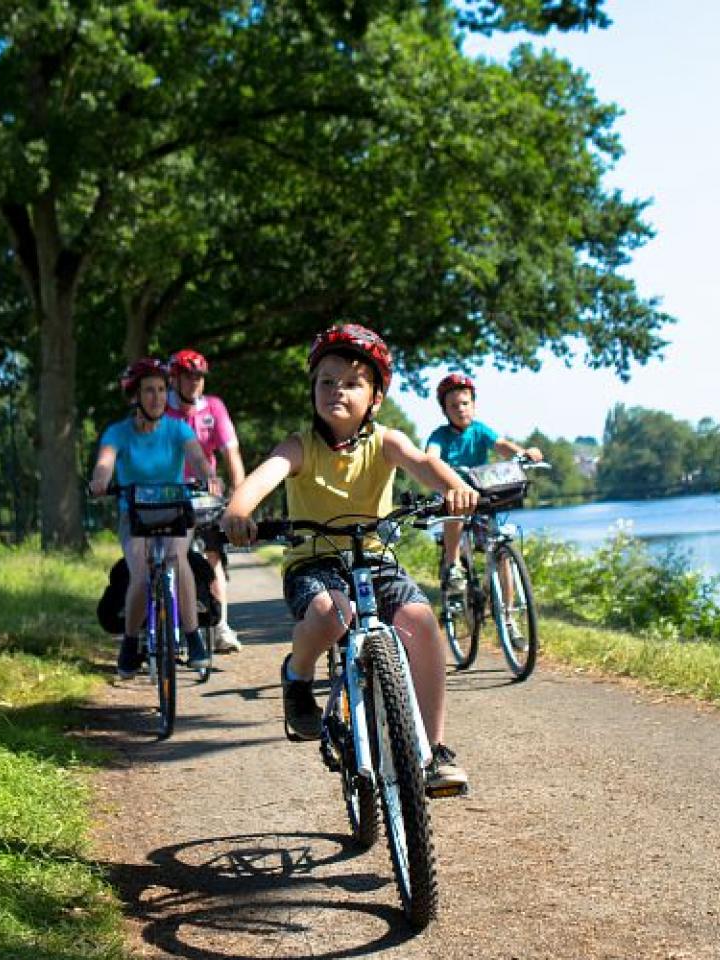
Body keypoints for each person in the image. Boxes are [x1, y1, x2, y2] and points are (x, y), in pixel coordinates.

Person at [222, 323, 479, 795]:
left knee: (421, 620)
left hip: (376, 559)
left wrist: (456, 490)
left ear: (375, 398)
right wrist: (239, 512)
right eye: (326, 380)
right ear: (313, 389)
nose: (336, 389)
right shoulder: (300, 445)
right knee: (331, 616)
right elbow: (261, 480)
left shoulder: (387, 442)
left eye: (352, 382)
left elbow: (427, 467)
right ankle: (298, 675)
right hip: (314, 564)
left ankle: (434, 752)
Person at [89, 359, 217, 678]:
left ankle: (193, 638)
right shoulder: (118, 433)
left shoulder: (177, 429)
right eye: (149, 390)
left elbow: (198, 458)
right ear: (135, 396)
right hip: (133, 513)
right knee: (142, 575)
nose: (157, 397)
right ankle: (130, 643)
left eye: (162, 389)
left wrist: (209, 476)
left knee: (177, 557)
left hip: (175, 509)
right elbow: (105, 462)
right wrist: (100, 481)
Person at [424, 373, 544, 596]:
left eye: (465, 403)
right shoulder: (440, 435)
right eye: (453, 405)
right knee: (455, 510)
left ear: (474, 405)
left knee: (498, 550)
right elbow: (431, 455)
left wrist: (524, 453)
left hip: (481, 494)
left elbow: (501, 445)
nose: (460, 409)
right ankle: (453, 564)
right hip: (453, 492)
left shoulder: (479, 430)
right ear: (445, 411)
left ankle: (508, 616)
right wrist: (433, 463)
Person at [165, 348, 248, 653]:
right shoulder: (162, 409)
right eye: (188, 376)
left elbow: (232, 456)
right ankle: (165, 622)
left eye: (199, 377)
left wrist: (241, 497)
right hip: (167, 493)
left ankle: (222, 626)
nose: (195, 382)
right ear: (174, 378)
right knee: (167, 554)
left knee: (212, 555)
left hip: (204, 493)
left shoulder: (214, 408)